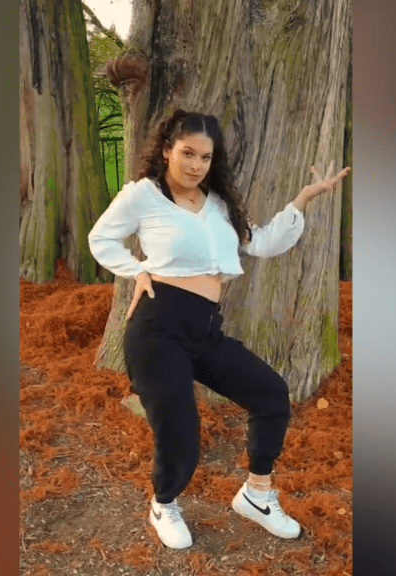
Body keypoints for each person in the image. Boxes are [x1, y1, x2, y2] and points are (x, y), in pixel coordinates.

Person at [88, 110, 349, 549]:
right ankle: (163, 503)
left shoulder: (219, 204)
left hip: (205, 328)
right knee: (181, 434)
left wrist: (303, 199)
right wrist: (136, 270)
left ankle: (257, 495)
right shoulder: (143, 196)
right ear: (167, 149)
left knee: (271, 395)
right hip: (158, 328)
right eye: (187, 153)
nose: (196, 165)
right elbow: (101, 238)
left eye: (205, 157)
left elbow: (260, 243)